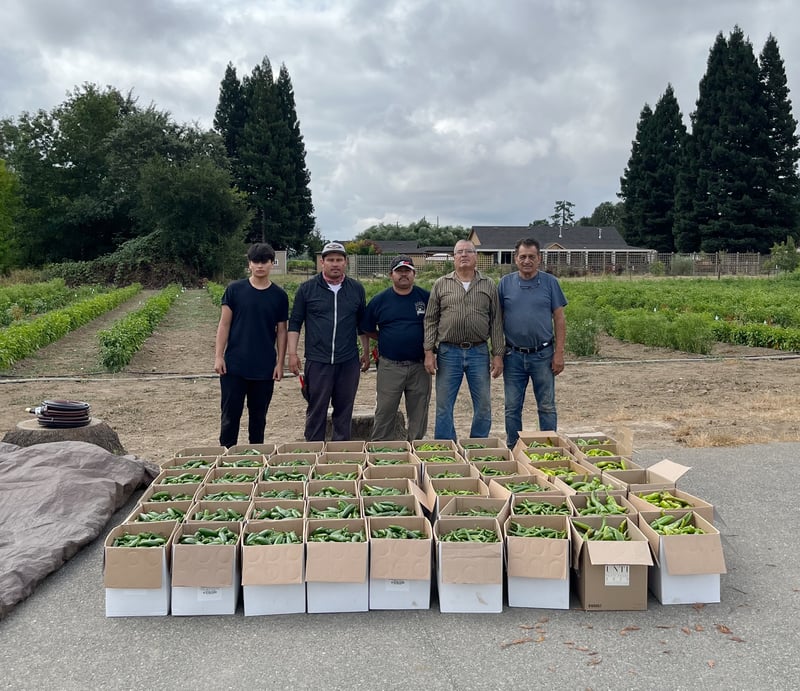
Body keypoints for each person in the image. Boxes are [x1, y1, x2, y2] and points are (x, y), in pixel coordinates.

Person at [287, 241, 370, 441]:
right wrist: (292, 354)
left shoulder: (356, 289)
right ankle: (314, 450)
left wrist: (366, 352)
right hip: (318, 359)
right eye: (330, 260)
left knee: (344, 408)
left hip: (347, 360)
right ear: (322, 262)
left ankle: (339, 452)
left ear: (346, 263)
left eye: (339, 260)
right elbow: (295, 323)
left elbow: (361, 324)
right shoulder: (307, 289)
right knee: (317, 407)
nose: (335, 264)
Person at [423, 239, 505, 440]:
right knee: (444, 405)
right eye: (459, 252)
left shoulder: (488, 285)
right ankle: (446, 448)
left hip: (478, 352)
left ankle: (477, 445)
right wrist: (428, 351)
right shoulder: (441, 284)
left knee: (483, 404)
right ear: (454, 257)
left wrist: (498, 354)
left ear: (476, 256)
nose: (464, 255)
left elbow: (496, 321)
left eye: (469, 251)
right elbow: (431, 319)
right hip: (448, 352)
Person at [214, 242, 288, 448]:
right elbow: (224, 324)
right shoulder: (235, 290)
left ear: (272, 264)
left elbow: (282, 331)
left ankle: (255, 459)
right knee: (230, 417)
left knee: (259, 419)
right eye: (256, 261)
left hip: (264, 368)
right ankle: (226, 457)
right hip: (234, 366)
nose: (260, 266)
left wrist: (280, 363)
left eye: (265, 261)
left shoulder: (279, 296)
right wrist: (219, 356)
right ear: (249, 264)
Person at [498, 237, 567, 448]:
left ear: (539, 259)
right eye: (522, 256)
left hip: (543, 355)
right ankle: (513, 447)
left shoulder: (550, 283)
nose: (527, 260)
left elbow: (559, 318)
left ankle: (549, 448)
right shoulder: (505, 284)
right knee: (512, 407)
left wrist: (559, 353)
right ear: (516, 259)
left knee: (546, 405)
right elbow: (497, 320)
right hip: (513, 356)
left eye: (531, 257)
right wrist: (497, 353)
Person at [361, 255, 431, 441]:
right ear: (391, 274)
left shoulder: (425, 297)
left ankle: (414, 448)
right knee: (385, 410)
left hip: (419, 366)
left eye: (407, 271)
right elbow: (367, 328)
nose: (403, 275)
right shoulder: (380, 300)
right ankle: (380, 450)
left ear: (414, 274)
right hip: (390, 365)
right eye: (399, 271)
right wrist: (386, 338)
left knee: (419, 411)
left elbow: (435, 326)